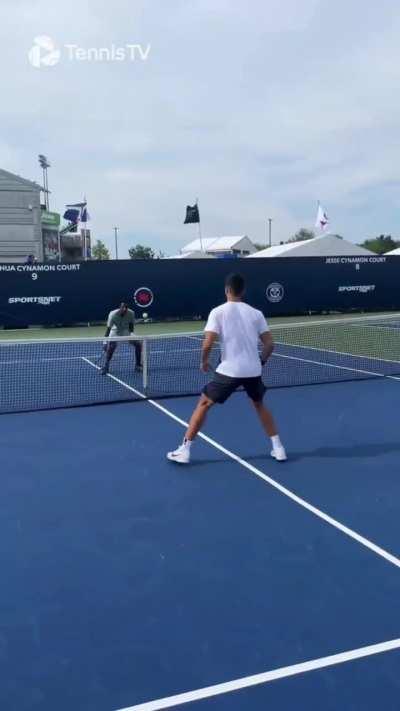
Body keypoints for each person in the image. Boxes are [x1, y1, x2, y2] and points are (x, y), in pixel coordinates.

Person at [167, 273, 287, 464]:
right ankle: (278, 448)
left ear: (227, 290)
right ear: (243, 291)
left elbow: (207, 344)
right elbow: (270, 344)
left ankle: (185, 450)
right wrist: (261, 362)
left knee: (204, 404)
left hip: (229, 370)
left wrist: (204, 362)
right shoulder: (256, 313)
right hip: (253, 370)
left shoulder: (218, 312)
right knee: (259, 404)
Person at [101, 301, 142, 375]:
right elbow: (108, 330)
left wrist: (131, 335)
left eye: (125, 310)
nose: (124, 312)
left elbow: (131, 325)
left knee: (138, 344)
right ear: (119, 308)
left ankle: (138, 365)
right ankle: (106, 366)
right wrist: (104, 342)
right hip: (115, 330)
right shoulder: (112, 315)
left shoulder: (131, 313)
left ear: (127, 309)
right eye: (122, 309)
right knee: (112, 346)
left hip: (126, 330)